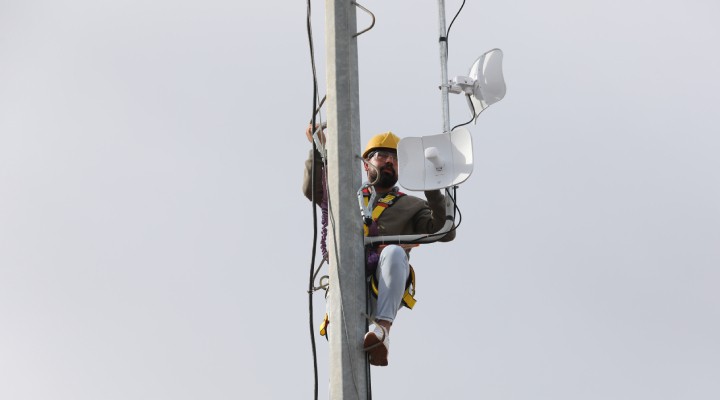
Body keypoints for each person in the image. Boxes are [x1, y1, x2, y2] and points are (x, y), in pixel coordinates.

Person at [303, 126, 455, 366]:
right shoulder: (348, 195)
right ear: (366, 163)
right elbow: (313, 190)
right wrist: (319, 150)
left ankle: (382, 331)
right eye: (382, 156)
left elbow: (443, 232)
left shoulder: (412, 205)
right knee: (343, 359)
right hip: (346, 281)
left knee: (394, 251)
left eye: (395, 159)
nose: (389, 162)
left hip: (380, 286)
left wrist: (433, 189)